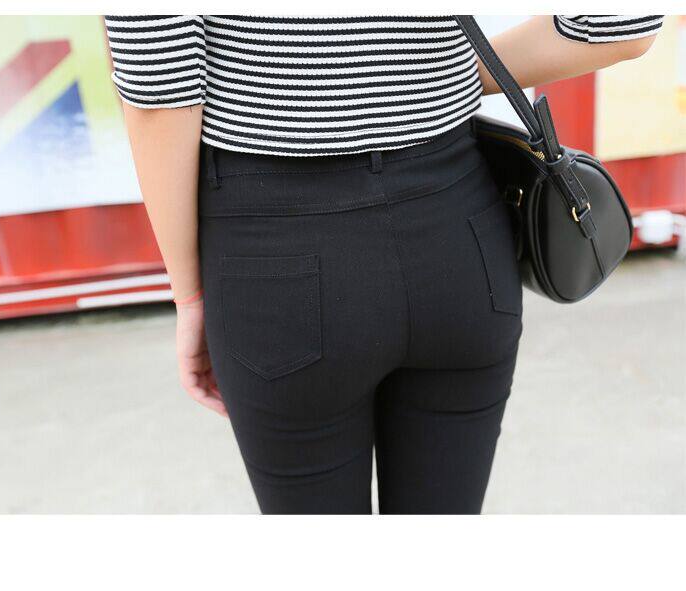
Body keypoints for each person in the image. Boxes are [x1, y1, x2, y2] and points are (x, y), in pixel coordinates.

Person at [103, 15, 662, 514]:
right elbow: (624, 25)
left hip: (278, 262)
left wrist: (189, 296)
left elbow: (159, 90)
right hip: (459, 237)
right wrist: (440, 76)